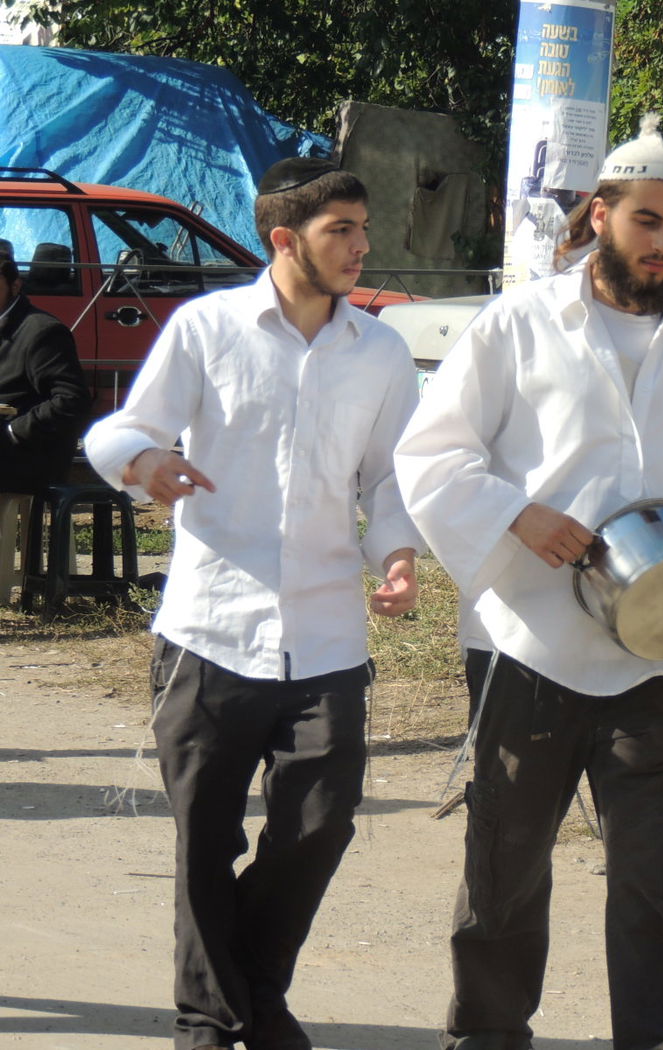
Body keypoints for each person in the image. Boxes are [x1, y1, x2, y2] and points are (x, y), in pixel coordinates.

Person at [395, 115, 663, 1050]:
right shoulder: (519, 325)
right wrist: (516, 514)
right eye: (649, 222)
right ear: (600, 214)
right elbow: (433, 454)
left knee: (656, 871)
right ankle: (486, 1037)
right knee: (505, 873)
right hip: (529, 642)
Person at [84, 158, 421, 1050]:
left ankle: (254, 993)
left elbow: (390, 477)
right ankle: (214, 1022)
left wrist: (396, 555)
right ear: (285, 239)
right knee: (204, 840)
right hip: (210, 630)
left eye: (362, 228)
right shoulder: (207, 328)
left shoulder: (380, 353)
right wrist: (147, 462)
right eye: (339, 230)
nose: (360, 245)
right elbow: (116, 429)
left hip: (325, 636)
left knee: (321, 822)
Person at [0, 249, 91, 494]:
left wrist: (12, 431)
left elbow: (72, 401)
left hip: (23, 457)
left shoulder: (41, 332)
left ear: (15, 285)